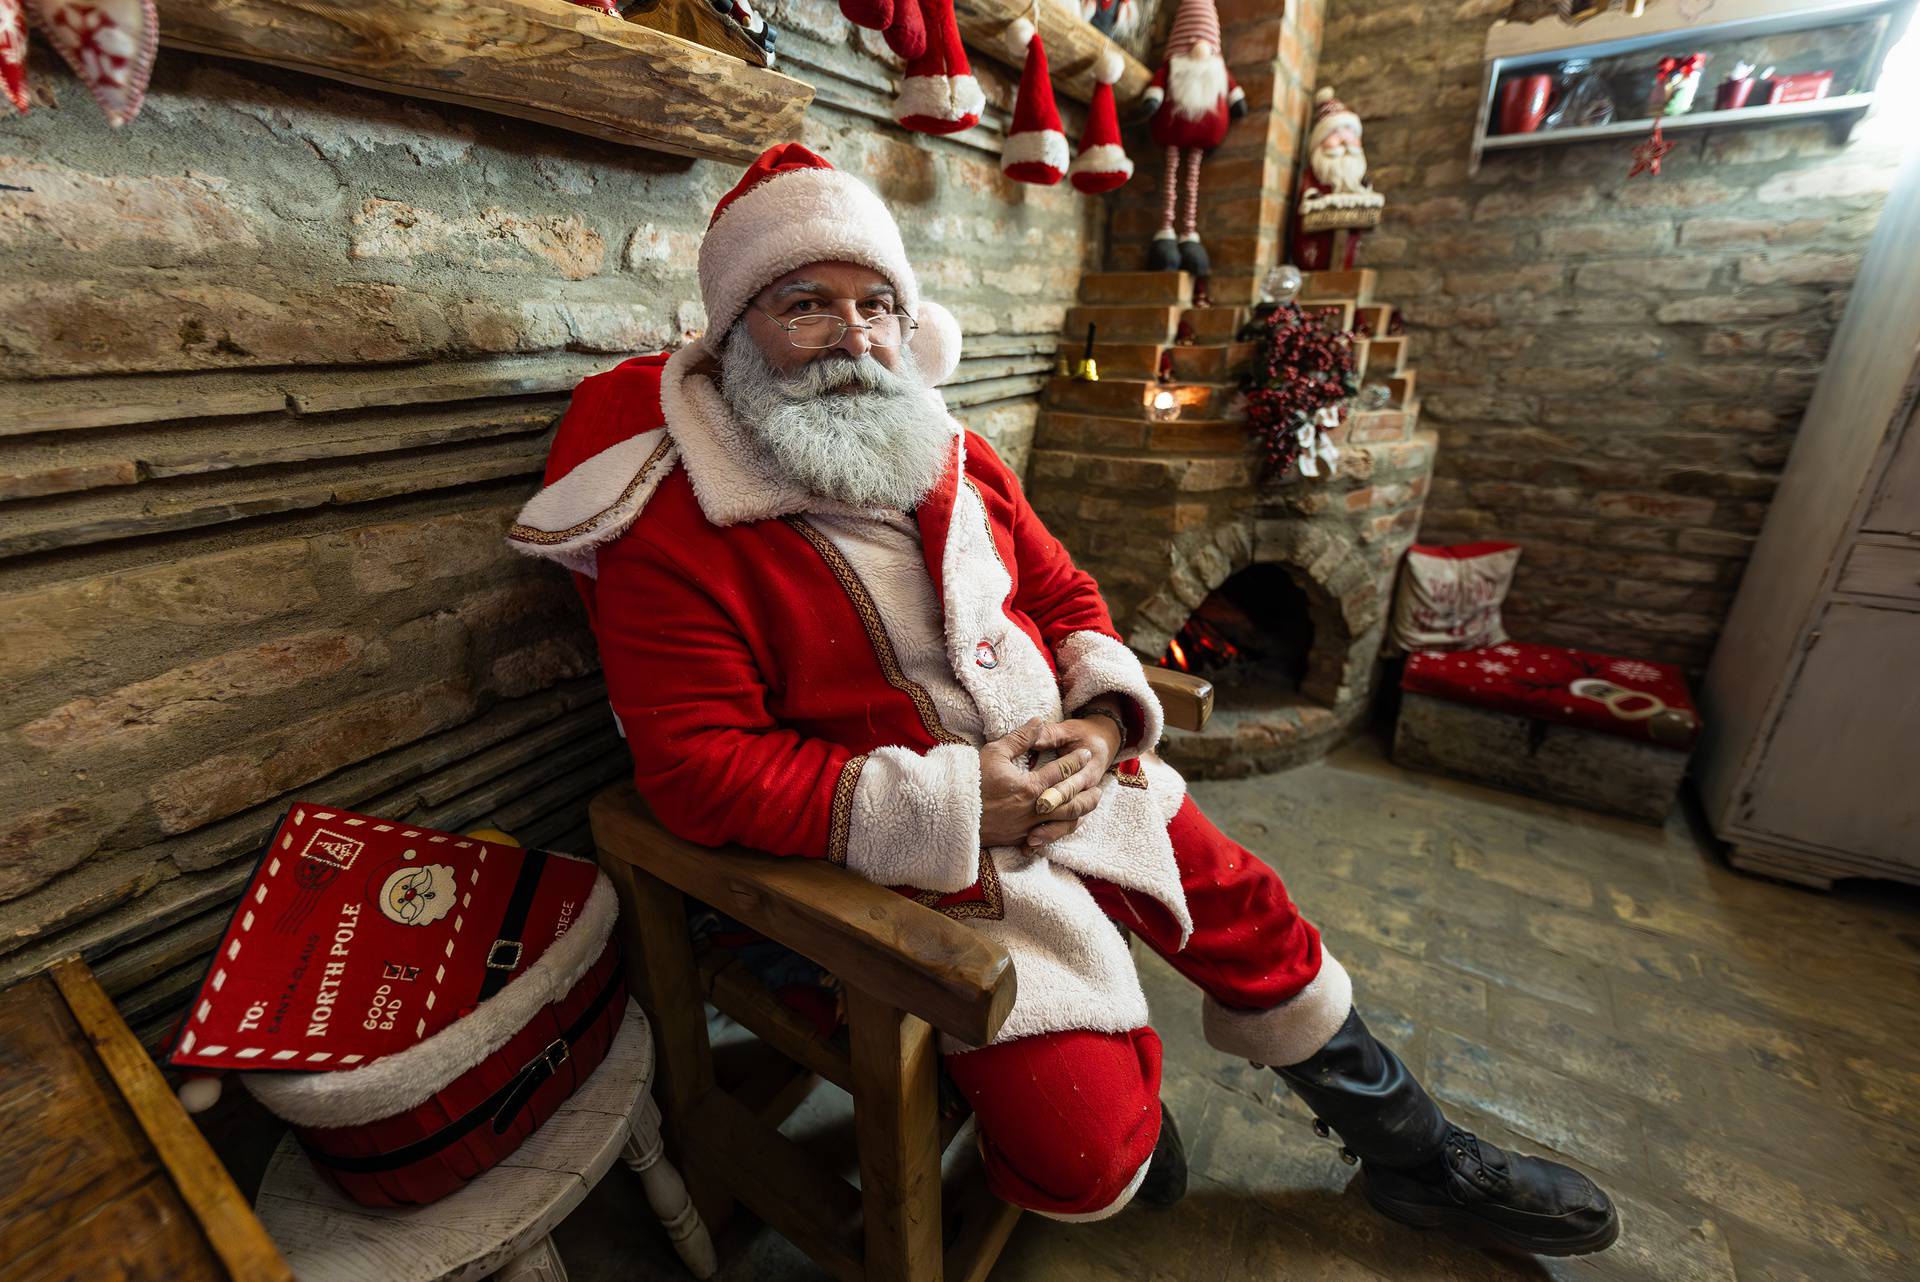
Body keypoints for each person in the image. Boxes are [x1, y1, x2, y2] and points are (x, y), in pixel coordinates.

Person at [508, 144, 1618, 1257]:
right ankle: (1103, 1098)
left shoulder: (950, 451)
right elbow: (698, 767)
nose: (854, 338)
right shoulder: (675, 522)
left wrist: (1100, 722)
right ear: (735, 327)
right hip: (910, 855)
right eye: (807, 305)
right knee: (1091, 1153)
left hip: (1067, 774)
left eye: (877, 306)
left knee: (1254, 910)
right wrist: (952, 804)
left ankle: (1413, 1149)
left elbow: (1064, 593)